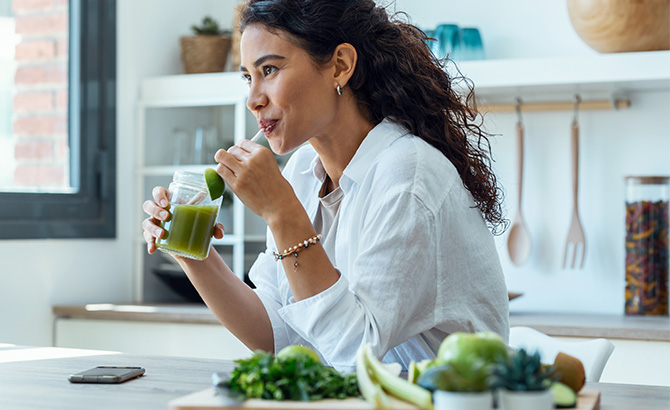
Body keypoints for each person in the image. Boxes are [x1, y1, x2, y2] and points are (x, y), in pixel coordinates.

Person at [142, 0, 509, 372]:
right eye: (247, 77)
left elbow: (355, 355)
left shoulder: (407, 175)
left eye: (269, 69)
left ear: (340, 66)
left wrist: (282, 214)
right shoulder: (303, 170)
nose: (254, 99)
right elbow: (278, 333)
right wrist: (192, 252)